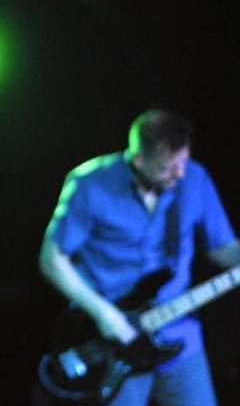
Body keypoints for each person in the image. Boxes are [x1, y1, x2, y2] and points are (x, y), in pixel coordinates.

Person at [39, 109, 240, 405]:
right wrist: (103, 313)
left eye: (183, 161)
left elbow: (221, 248)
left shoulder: (195, 178)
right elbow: (52, 260)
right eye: (168, 167)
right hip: (111, 337)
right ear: (138, 160)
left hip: (179, 329)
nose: (180, 174)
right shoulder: (89, 184)